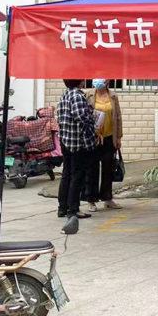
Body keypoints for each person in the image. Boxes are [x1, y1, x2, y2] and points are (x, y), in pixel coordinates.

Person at [56, 79, 95, 224]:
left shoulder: (65, 95)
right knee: (77, 176)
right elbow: (81, 117)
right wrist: (92, 115)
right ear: (80, 81)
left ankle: (62, 207)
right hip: (77, 141)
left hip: (65, 139)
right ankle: (73, 209)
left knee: (66, 174)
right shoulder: (77, 96)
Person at [84, 79, 123, 212]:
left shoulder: (113, 96)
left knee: (108, 168)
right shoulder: (88, 95)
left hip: (109, 137)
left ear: (107, 81)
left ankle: (107, 198)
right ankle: (91, 199)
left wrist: (118, 137)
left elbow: (118, 117)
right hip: (93, 138)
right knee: (92, 169)